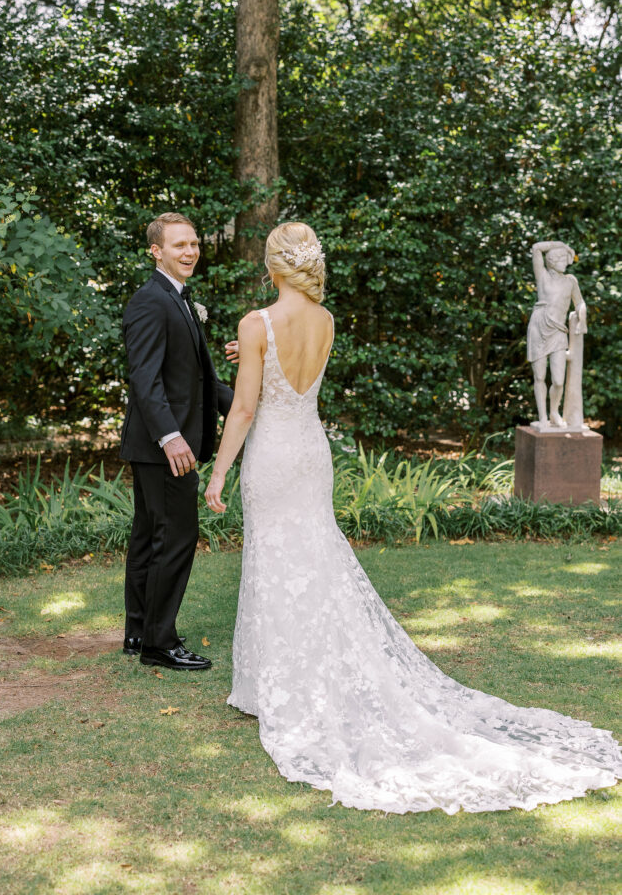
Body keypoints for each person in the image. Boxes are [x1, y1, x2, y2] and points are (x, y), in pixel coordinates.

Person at [204, 221, 621, 814]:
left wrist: (217, 473)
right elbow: (288, 378)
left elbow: (245, 406)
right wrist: (250, 351)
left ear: (272, 266)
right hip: (310, 453)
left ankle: (282, 690)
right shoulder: (324, 322)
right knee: (312, 556)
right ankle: (289, 681)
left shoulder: (255, 324)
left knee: (275, 557)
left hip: (272, 455)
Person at [120, 212, 233, 671]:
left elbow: (198, 382)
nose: (189, 252)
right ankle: (159, 643)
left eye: (193, 244)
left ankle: (138, 631)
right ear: (156, 251)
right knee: (176, 538)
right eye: (179, 245)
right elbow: (145, 381)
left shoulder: (179, 299)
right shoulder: (151, 301)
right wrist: (171, 438)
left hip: (158, 445)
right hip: (164, 447)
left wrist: (248, 405)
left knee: (149, 538)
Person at [527, 241, 587, 428]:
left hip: (559, 330)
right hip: (539, 327)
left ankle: (554, 411)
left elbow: (580, 303)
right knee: (539, 376)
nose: (564, 261)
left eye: (564, 257)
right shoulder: (542, 276)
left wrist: (582, 318)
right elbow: (537, 248)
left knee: (558, 380)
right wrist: (560, 244)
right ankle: (543, 417)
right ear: (551, 261)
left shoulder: (570, 281)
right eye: (559, 258)